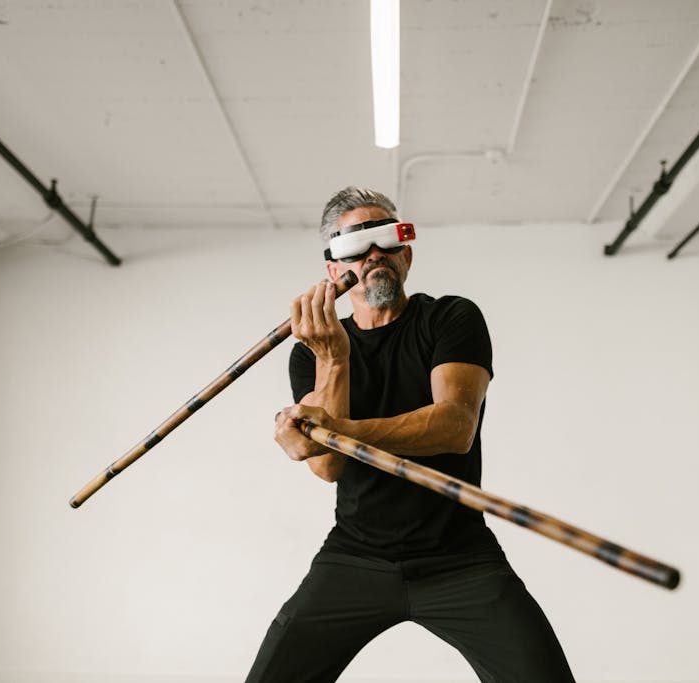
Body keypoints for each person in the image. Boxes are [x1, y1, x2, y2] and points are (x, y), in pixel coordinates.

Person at [245, 187, 574, 682]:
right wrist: (333, 356)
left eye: (387, 240)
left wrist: (340, 430)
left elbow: (454, 426)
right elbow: (328, 465)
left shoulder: (450, 318)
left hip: (460, 560)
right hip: (355, 558)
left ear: (407, 256)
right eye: (357, 246)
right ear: (334, 271)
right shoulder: (312, 350)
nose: (375, 254)